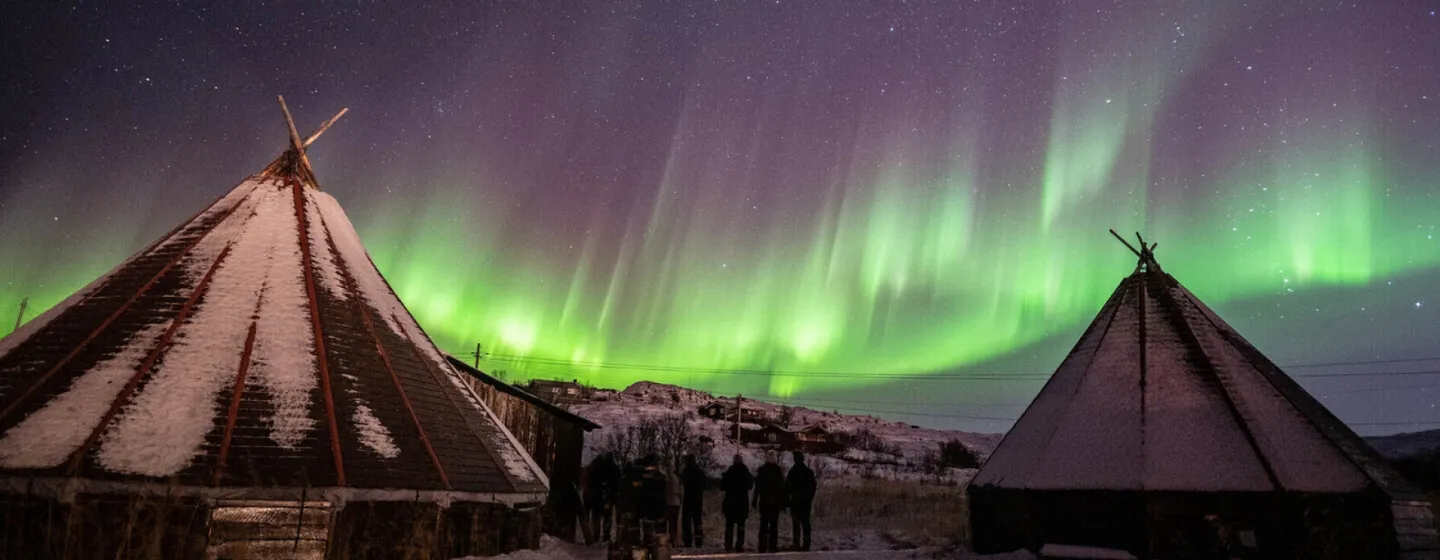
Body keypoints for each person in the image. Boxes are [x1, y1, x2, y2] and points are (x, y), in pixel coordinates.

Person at [753, 450, 787, 552]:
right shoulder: (778, 471)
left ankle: (762, 546)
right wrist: (783, 503)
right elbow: (782, 488)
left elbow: (757, 488)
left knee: (763, 525)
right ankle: (772, 546)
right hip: (774, 503)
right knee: (773, 526)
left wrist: (755, 500)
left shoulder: (762, 470)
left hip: (764, 502)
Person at [720, 454, 754, 552]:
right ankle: (739, 544)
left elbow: (722, 486)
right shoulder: (745, 472)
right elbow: (750, 485)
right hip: (742, 503)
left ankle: (728, 544)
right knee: (741, 525)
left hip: (730, 502)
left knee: (729, 525)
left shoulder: (729, 472)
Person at [585, 452, 621, 542]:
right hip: (607, 495)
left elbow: (590, 481)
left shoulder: (595, 467)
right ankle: (606, 535)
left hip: (596, 495)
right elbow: (617, 482)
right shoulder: (614, 468)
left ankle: (596, 534)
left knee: (596, 515)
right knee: (607, 515)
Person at [786, 451, 817, 551]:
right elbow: (813, 487)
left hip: (795, 501)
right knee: (805, 523)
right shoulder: (808, 472)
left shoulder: (792, 472)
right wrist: (809, 497)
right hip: (805, 502)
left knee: (796, 523)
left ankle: (796, 543)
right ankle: (806, 543)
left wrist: (788, 501)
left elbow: (787, 487)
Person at [680, 454, 707, 547]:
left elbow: (682, 482)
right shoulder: (699, 473)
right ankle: (698, 542)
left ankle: (688, 542)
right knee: (698, 522)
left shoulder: (686, 472)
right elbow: (706, 485)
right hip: (698, 500)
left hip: (688, 500)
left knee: (687, 522)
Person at [665, 456, 683, 546]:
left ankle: (666, 540)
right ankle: (674, 539)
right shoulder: (676, 477)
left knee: (665, 523)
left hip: (668, 501)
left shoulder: (665, 477)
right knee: (674, 523)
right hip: (676, 502)